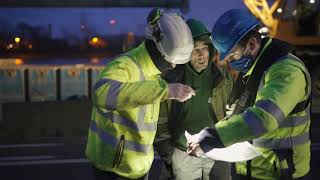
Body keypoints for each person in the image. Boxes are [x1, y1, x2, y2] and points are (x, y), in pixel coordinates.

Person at [187, 9, 311, 180]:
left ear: (252, 44)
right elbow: (239, 115)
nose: (228, 62)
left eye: (232, 56)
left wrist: (209, 137)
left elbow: (263, 119)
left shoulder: (287, 71)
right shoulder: (254, 70)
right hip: (249, 170)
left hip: (281, 172)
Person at [85, 9, 196, 180]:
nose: (174, 66)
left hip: (139, 171)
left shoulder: (153, 75)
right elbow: (101, 93)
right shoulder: (125, 66)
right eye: (172, 61)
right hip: (114, 172)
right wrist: (165, 90)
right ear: (158, 51)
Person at [154, 18, 233, 180]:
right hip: (183, 153)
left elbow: (233, 113)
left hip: (217, 151)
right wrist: (169, 153)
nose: (201, 54)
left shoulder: (223, 77)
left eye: (205, 48)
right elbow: (159, 120)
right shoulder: (171, 80)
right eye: (195, 49)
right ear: (186, 52)